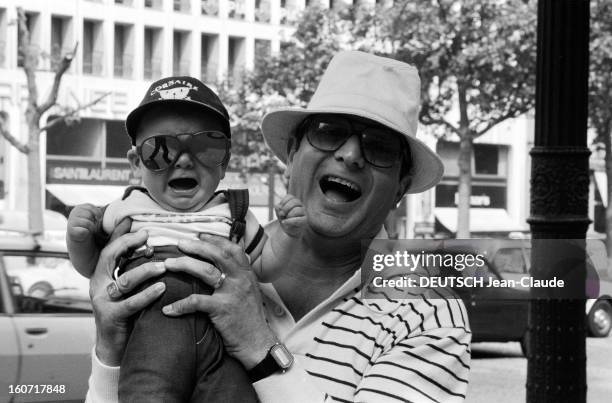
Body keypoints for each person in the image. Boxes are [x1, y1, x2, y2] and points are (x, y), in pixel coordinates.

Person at [84, 51, 471, 403]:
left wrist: (258, 344)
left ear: (401, 187)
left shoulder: (428, 315)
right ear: (291, 154)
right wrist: (108, 353)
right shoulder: (209, 247)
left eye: (380, 147)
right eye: (329, 132)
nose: (350, 155)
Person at [67, 76, 304, 402]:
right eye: (160, 150)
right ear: (137, 164)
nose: (183, 159)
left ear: (224, 163)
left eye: (206, 146)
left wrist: (289, 237)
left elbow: (264, 267)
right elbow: (93, 267)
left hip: (227, 341)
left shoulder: (233, 212)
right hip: (154, 337)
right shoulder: (125, 210)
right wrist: (78, 236)